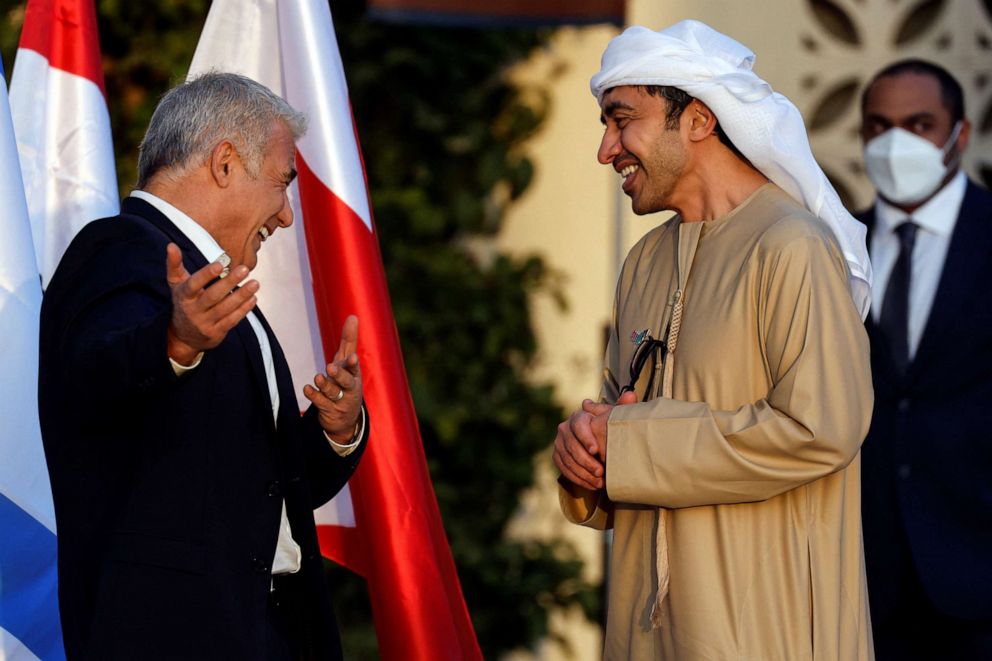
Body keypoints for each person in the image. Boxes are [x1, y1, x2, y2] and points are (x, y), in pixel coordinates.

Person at [552, 21, 876, 659]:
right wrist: (585, 459)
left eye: (622, 120)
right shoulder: (644, 262)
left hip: (767, 633)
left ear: (697, 120)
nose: (606, 149)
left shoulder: (792, 246)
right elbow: (621, 428)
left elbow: (824, 430)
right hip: (646, 633)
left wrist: (636, 443)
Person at [38, 73, 368, 660]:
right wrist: (172, 343)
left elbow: (257, 487)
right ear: (224, 164)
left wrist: (335, 434)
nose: (285, 215)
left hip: (263, 633)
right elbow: (90, 381)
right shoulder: (118, 247)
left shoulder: (209, 285)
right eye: (282, 184)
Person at [858, 59, 992, 659]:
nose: (896, 144)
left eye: (919, 124)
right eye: (879, 126)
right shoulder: (833, 247)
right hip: (864, 582)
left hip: (981, 578)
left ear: (959, 136)